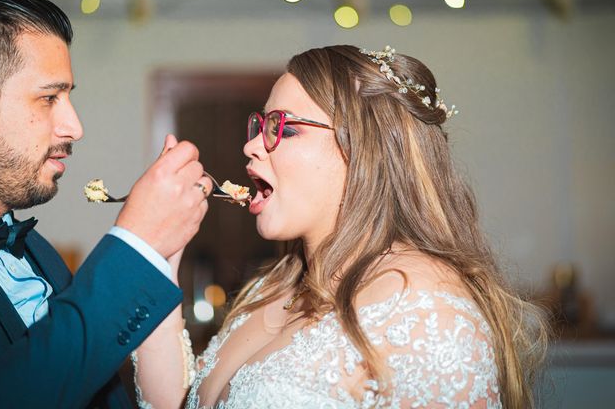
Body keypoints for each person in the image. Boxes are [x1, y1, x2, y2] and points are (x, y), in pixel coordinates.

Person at [132, 45, 549, 408]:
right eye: (261, 126)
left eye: (285, 128)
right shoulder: (273, 286)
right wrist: (160, 257)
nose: (251, 145)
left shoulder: (427, 310)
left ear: (365, 152)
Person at [0, 0, 213, 408]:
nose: (74, 126)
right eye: (49, 98)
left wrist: (159, 253)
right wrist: (137, 244)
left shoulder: (37, 252)